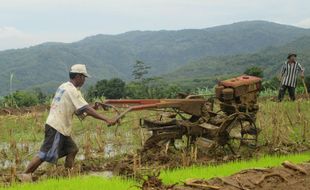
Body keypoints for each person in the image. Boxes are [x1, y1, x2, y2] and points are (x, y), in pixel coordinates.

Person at [18, 64, 117, 181]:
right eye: (84, 77)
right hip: (57, 127)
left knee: (72, 150)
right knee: (45, 153)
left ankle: (67, 175)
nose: (84, 80)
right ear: (79, 76)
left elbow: (80, 111)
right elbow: (85, 109)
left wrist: (93, 108)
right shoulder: (72, 90)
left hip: (60, 128)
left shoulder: (64, 86)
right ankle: (24, 175)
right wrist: (106, 119)